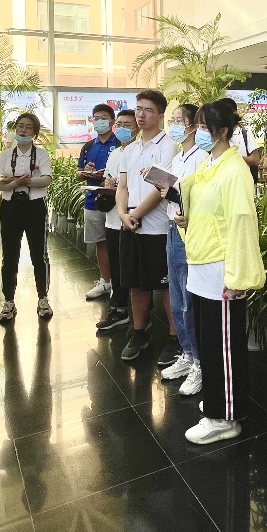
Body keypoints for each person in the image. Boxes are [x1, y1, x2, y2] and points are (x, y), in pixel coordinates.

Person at [179, 100, 265, 444]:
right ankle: (218, 398)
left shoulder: (234, 170)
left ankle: (225, 416)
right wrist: (186, 217)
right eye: (197, 126)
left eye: (204, 127)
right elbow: (208, 212)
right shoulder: (208, 165)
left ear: (223, 132)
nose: (198, 132)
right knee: (210, 344)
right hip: (202, 264)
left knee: (224, 348)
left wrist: (238, 276)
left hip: (221, 271)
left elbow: (242, 223)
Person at [117, 90, 176, 362]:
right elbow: (123, 186)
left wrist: (136, 214)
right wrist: (122, 213)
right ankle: (139, 332)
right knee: (135, 284)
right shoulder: (130, 148)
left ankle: (174, 338)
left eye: (148, 110)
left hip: (158, 227)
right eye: (138, 109)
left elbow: (162, 187)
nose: (141, 115)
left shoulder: (168, 146)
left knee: (166, 286)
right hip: (130, 225)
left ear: (160, 115)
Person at [160, 104, 206, 395]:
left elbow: (197, 198)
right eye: (173, 120)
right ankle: (187, 354)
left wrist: (175, 194)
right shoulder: (178, 158)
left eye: (181, 120)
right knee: (177, 298)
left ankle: (199, 361)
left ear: (193, 126)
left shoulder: (202, 157)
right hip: (172, 228)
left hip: (189, 232)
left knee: (189, 301)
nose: (175, 125)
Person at [0, 113, 53, 324]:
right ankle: (8, 301)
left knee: (39, 254)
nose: (23, 130)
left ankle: (43, 298)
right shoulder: (5, 155)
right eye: (20, 126)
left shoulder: (42, 154)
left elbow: (46, 179)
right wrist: (17, 183)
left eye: (28, 127)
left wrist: (22, 182)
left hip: (35, 206)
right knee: (10, 256)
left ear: (34, 132)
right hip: (10, 206)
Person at [95, 109, 137, 336]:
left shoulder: (138, 151)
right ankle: (119, 310)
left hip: (129, 219)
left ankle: (136, 315)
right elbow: (107, 179)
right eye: (119, 124)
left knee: (131, 269)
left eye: (127, 124)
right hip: (112, 218)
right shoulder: (114, 153)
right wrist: (108, 183)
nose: (122, 128)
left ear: (137, 127)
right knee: (116, 267)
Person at [80, 104, 119, 301]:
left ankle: (120, 284)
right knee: (100, 242)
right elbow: (78, 174)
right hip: (93, 201)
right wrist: (86, 171)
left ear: (112, 121)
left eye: (104, 117)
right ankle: (105, 281)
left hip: (116, 202)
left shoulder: (120, 143)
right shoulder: (88, 146)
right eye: (96, 118)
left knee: (118, 243)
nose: (100, 121)